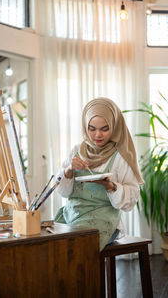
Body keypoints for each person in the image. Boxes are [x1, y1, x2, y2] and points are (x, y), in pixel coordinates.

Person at [54, 97, 144, 251]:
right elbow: (62, 192)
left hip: (104, 221)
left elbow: (131, 199)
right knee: (51, 246)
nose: (97, 135)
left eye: (104, 128)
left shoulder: (121, 156)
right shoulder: (77, 150)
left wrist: (110, 186)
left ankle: (88, 276)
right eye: (92, 128)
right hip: (71, 216)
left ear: (114, 127)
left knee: (76, 249)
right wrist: (69, 169)